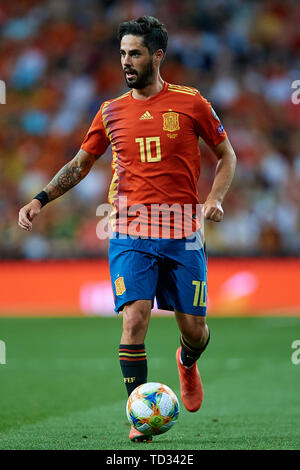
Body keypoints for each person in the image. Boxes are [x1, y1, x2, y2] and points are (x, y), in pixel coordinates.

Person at [18, 16, 237, 442]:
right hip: (128, 229)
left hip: (182, 230)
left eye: (134, 53)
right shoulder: (110, 111)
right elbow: (81, 165)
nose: (126, 61)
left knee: (194, 328)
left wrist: (214, 200)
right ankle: (141, 415)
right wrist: (41, 198)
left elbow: (227, 155)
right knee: (134, 320)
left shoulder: (191, 103)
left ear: (157, 56)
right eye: (122, 53)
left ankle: (187, 363)